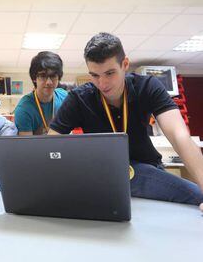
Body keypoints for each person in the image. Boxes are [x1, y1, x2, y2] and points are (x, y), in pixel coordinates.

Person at [49, 32, 203, 212]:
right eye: (95, 75)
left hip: (145, 168)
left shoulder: (148, 86)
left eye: (109, 73)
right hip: (102, 173)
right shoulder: (79, 98)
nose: (102, 83)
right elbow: (50, 145)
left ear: (125, 65)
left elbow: (179, 135)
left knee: (194, 194)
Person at [14, 51, 68, 135]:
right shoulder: (24, 109)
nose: (49, 82)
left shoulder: (65, 98)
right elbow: (26, 146)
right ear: (34, 78)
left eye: (53, 76)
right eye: (43, 76)